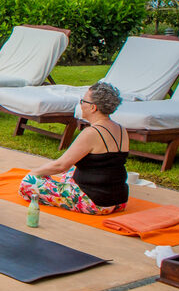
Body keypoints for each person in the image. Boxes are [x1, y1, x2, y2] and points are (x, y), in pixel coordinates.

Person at [19, 82, 129, 215]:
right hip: (119, 200)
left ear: (93, 107)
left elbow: (60, 165)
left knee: (28, 183)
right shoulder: (121, 129)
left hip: (96, 203)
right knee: (71, 171)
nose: (81, 105)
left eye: (83, 101)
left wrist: (33, 173)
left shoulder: (91, 133)